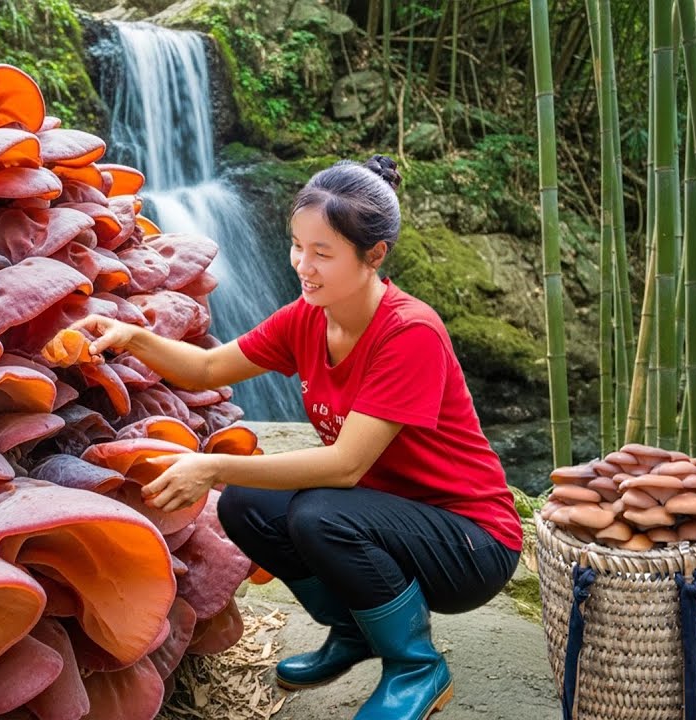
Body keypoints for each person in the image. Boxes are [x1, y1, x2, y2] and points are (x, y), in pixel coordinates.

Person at [70, 155, 522, 719]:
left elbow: (343, 468)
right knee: (247, 506)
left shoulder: (410, 334)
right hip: (384, 513)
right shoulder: (309, 316)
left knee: (318, 514)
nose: (302, 266)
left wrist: (210, 467)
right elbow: (208, 370)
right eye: (296, 246)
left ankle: (416, 665)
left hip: (471, 541)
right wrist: (130, 336)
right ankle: (354, 632)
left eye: (322, 254)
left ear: (374, 256)